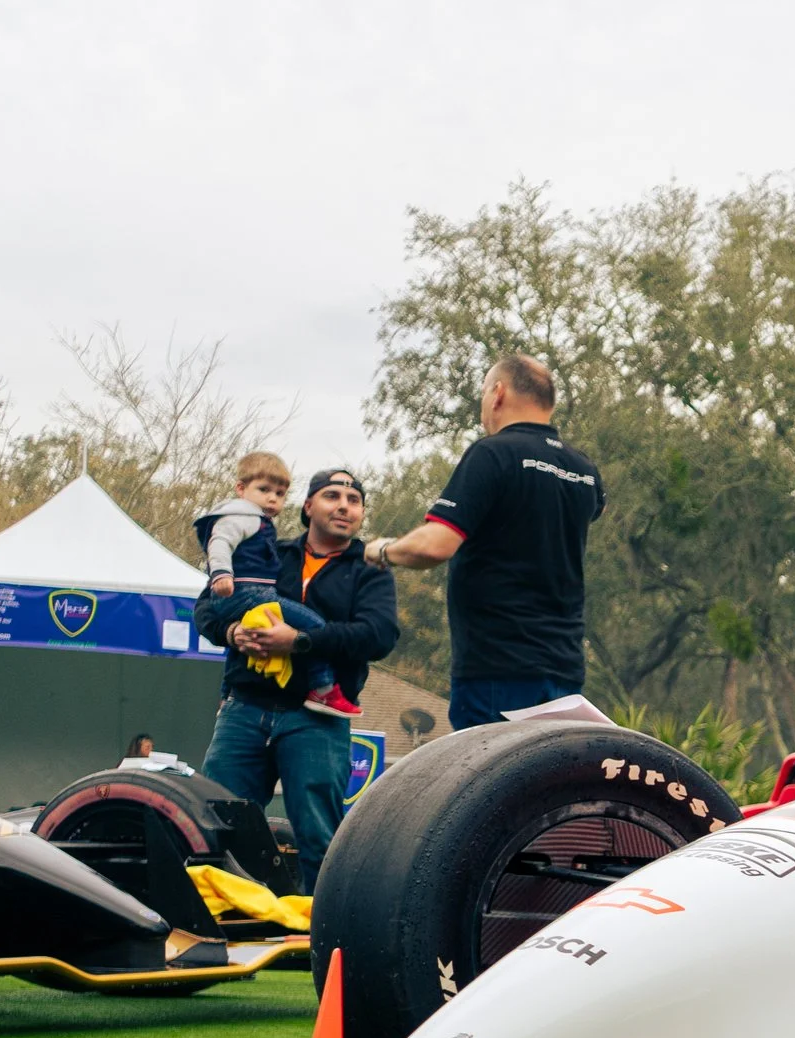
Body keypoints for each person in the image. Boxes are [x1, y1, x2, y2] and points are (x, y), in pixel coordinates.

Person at [362, 355, 604, 730]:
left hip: (497, 667)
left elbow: (435, 545)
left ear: (498, 393)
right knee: (545, 783)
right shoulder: (585, 471)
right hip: (565, 670)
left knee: (490, 783)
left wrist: (381, 550)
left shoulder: (493, 453)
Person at [195, 468, 397, 890]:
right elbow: (208, 610)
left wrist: (300, 641)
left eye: (353, 499)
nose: (344, 505)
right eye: (332, 496)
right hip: (243, 709)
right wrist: (232, 633)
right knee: (216, 827)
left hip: (317, 719)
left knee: (320, 838)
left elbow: (378, 636)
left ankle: (318, 942)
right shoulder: (268, 548)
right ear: (308, 507)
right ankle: (229, 927)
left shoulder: (369, 569)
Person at [193, 453, 355, 721]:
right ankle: (323, 687)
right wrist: (221, 574)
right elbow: (219, 543)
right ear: (241, 488)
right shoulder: (241, 517)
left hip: (249, 594)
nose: (272, 499)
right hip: (247, 592)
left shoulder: (261, 527)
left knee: (249, 649)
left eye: (280, 494)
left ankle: (227, 694)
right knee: (313, 624)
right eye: (264, 490)